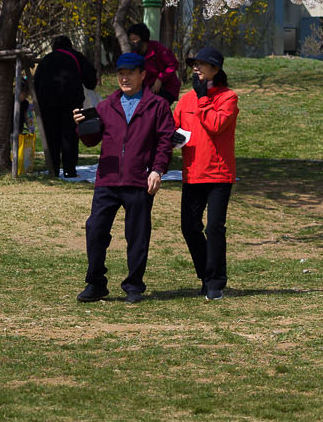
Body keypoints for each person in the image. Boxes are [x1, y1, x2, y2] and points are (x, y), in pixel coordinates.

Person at [75, 50, 175, 303]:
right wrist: (82, 126)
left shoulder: (158, 106)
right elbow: (91, 140)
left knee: (138, 234)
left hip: (139, 179)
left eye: (130, 73)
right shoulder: (105, 106)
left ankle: (134, 285)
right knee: (95, 229)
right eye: (120, 73)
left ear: (143, 75)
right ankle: (96, 283)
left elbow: (165, 141)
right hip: (107, 180)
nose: (124, 78)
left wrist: (157, 169)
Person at [173, 45, 239, 300]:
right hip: (193, 172)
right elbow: (174, 127)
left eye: (201, 64)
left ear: (215, 69)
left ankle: (215, 281)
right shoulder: (186, 99)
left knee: (214, 228)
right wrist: (172, 138)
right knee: (189, 227)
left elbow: (216, 125)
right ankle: (205, 274)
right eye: (194, 64)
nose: (196, 68)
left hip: (219, 175)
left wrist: (203, 100)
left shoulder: (228, 98)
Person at [30, 35, 99, 179]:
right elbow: (91, 81)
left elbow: (35, 83)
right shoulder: (76, 56)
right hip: (71, 101)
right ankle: (69, 169)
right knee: (70, 134)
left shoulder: (46, 59)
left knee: (51, 135)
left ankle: (53, 168)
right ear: (71, 45)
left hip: (47, 101)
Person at [126, 20, 182, 104]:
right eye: (130, 40)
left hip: (166, 89)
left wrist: (159, 80)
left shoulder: (158, 49)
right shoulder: (135, 54)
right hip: (147, 90)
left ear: (143, 38)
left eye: (134, 39)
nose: (132, 43)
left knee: (155, 109)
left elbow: (172, 65)